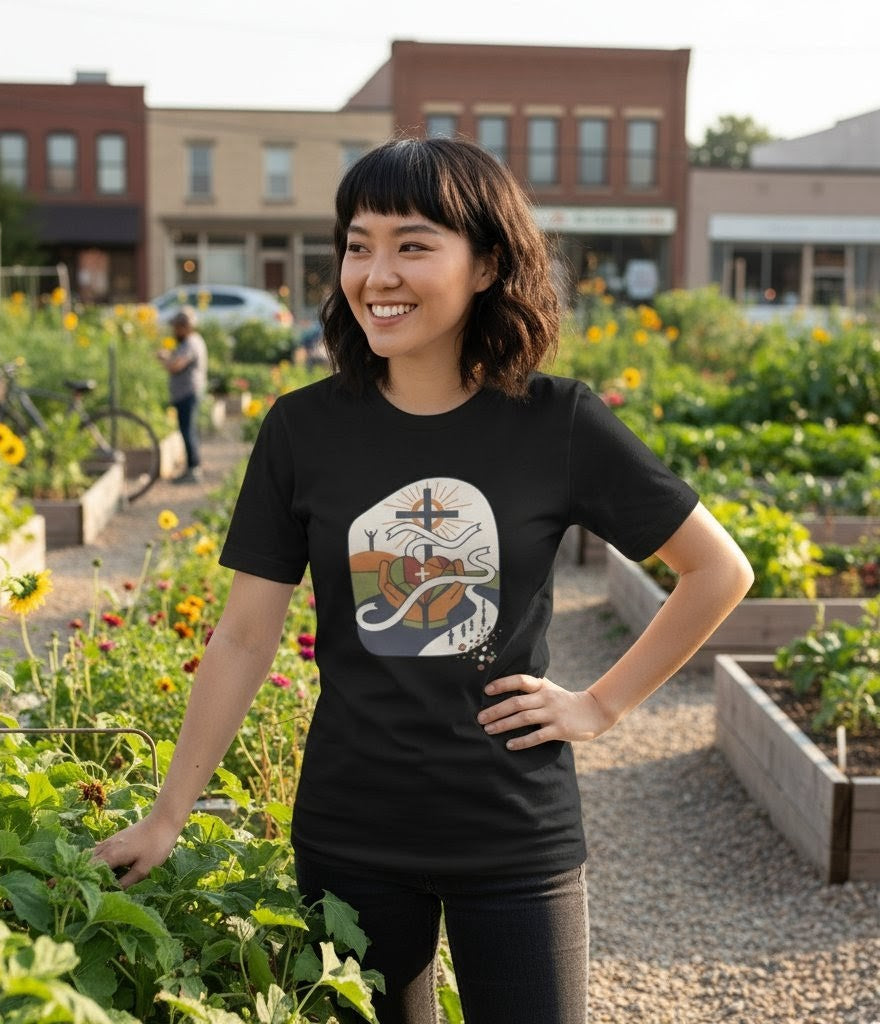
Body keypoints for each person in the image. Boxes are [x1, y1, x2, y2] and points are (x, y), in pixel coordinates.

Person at [94, 138, 753, 1024]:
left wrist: (601, 704)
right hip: (352, 832)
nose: (376, 274)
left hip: (516, 831)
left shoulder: (556, 423)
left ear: (485, 264)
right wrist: (169, 814)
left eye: (412, 244)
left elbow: (717, 570)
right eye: (358, 245)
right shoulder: (302, 431)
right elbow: (247, 636)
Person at [158, 306, 207, 484]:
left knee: (188, 431)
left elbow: (176, 366)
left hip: (188, 393)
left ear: (185, 327)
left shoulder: (191, 343)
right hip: (185, 393)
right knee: (187, 430)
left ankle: (193, 469)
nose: (174, 330)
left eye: (177, 327)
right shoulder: (190, 342)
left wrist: (164, 359)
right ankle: (192, 467)